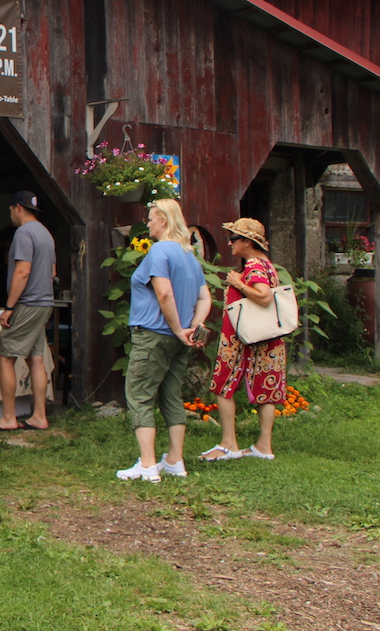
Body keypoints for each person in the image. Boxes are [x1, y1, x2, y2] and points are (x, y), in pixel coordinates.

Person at [115, 199, 210, 482]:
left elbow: (164, 294)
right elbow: (205, 297)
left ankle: (147, 465)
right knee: (171, 395)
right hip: (178, 339)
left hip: (153, 334)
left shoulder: (159, 251)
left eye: (151, 218)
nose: (148, 223)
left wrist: (179, 328)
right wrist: (192, 327)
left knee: (139, 394)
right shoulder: (188, 255)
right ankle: (175, 460)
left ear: (164, 221)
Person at [199, 218, 286, 462]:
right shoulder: (267, 265)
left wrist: (238, 283)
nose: (230, 243)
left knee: (222, 384)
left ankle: (229, 444)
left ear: (247, 242)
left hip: (243, 340)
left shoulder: (254, 265)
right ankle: (263, 446)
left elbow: (264, 297)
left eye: (234, 239)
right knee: (266, 389)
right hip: (266, 337)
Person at [0, 191, 56, 431]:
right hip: (45, 302)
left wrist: (9, 307)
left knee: (6, 356)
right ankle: (39, 415)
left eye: (10, 210)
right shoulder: (46, 234)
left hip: (27, 303)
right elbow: (53, 272)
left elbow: (22, 272)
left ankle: (8, 417)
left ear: (17, 207)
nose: (10, 214)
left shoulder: (24, 233)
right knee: (36, 359)